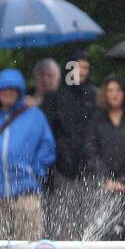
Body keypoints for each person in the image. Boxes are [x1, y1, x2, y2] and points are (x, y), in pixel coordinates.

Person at [0, 68, 55, 244]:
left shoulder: (35, 117)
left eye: (12, 89)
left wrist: (35, 171)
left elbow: (47, 147)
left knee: (29, 243)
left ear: (19, 92)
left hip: (27, 191)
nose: (8, 93)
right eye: (4, 89)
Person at [42, 49, 97, 238]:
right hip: (61, 169)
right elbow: (48, 134)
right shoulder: (55, 97)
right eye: (77, 67)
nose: (81, 71)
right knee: (62, 220)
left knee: (87, 220)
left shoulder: (94, 96)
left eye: (85, 68)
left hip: (88, 170)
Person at [84, 74, 125, 239]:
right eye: (110, 90)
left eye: (118, 90)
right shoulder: (96, 119)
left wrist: (123, 179)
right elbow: (91, 151)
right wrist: (107, 179)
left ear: (124, 92)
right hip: (102, 186)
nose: (114, 94)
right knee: (102, 232)